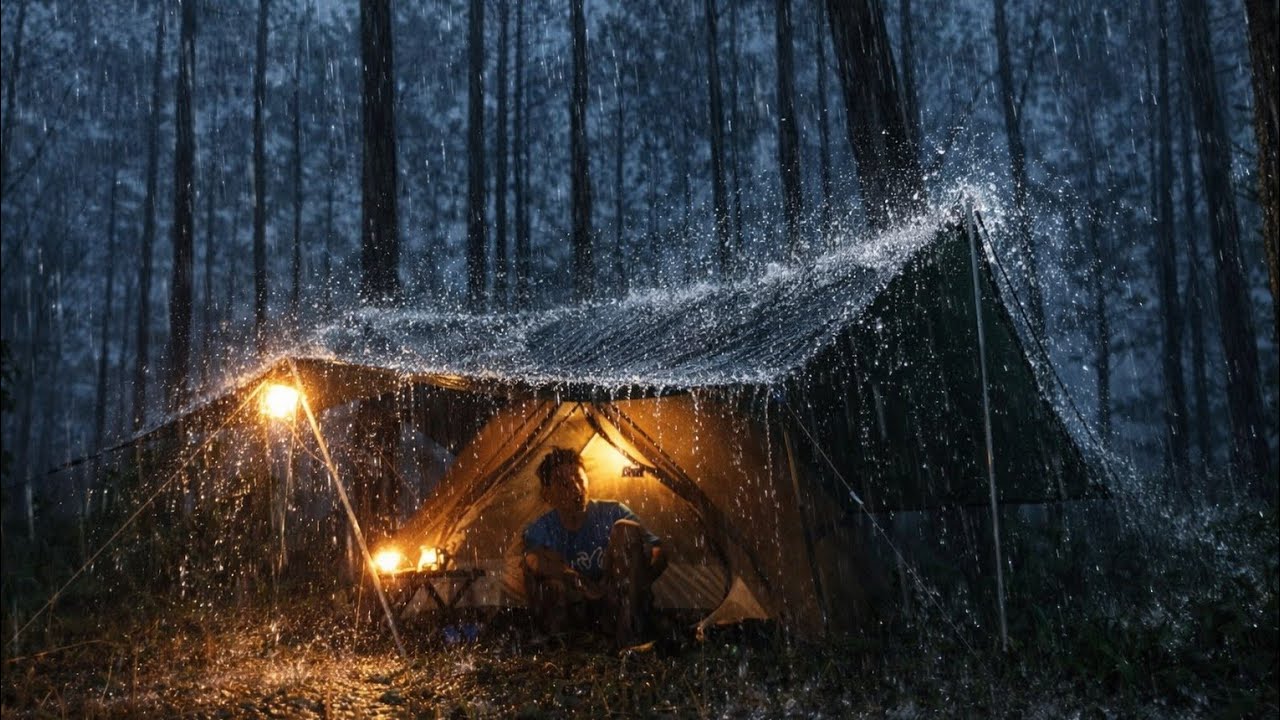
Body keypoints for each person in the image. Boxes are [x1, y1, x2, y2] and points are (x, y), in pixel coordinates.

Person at [522, 447, 667, 645]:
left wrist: (638, 581)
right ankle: (561, 643)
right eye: (564, 484)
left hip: (616, 600)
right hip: (576, 605)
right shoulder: (542, 528)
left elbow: (658, 550)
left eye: (579, 479)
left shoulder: (612, 512)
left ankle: (630, 633)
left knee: (626, 529)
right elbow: (533, 560)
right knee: (538, 573)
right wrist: (575, 579)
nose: (575, 488)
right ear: (547, 495)